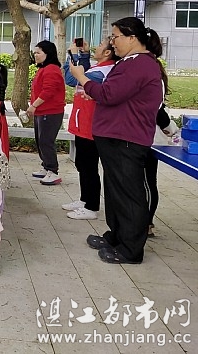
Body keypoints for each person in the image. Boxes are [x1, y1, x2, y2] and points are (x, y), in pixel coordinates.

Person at [71, 18, 167, 264]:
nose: (112, 42)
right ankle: (116, 236)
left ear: (132, 38)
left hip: (127, 137)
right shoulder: (129, 62)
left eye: (115, 37)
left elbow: (109, 94)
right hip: (114, 135)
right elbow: (115, 94)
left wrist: (82, 78)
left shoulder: (140, 64)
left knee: (129, 194)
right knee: (115, 191)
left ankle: (131, 249)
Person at [63, 39, 118, 220]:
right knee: (82, 163)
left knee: (88, 166)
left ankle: (91, 206)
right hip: (84, 123)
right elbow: (83, 73)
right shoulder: (98, 68)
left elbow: (72, 79)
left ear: (108, 52)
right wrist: (85, 55)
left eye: (101, 45)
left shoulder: (103, 72)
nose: (97, 47)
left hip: (91, 125)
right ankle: (84, 199)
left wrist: (72, 56)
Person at [28, 40, 65, 186]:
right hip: (41, 112)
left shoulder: (52, 69)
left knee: (46, 141)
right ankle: (46, 166)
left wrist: (34, 105)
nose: (35, 55)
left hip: (50, 112)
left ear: (47, 53)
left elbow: (48, 91)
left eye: (38, 52)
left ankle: (52, 170)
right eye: (35, 52)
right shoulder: (43, 69)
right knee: (40, 140)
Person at [146, 105, 180, 237]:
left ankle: (146, 223)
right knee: (148, 184)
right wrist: (172, 129)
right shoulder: (155, 102)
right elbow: (168, 127)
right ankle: (147, 223)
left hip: (147, 145)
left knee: (147, 185)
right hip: (149, 145)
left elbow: (166, 124)